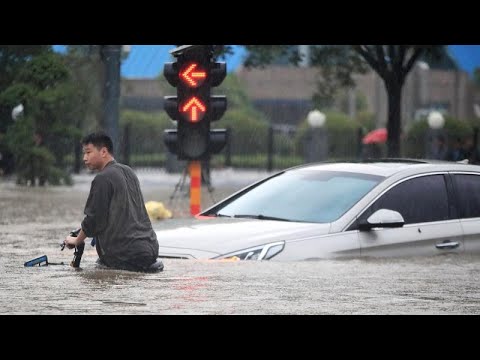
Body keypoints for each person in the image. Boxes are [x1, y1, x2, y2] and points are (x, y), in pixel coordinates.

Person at [63, 131, 162, 272]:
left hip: (124, 255)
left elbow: (94, 219)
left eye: (88, 152)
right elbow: (121, 213)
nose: (84, 158)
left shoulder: (102, 178)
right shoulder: (129, 172)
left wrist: (76, 240)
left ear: (103, 151)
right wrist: (82, 230)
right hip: (150, 249)